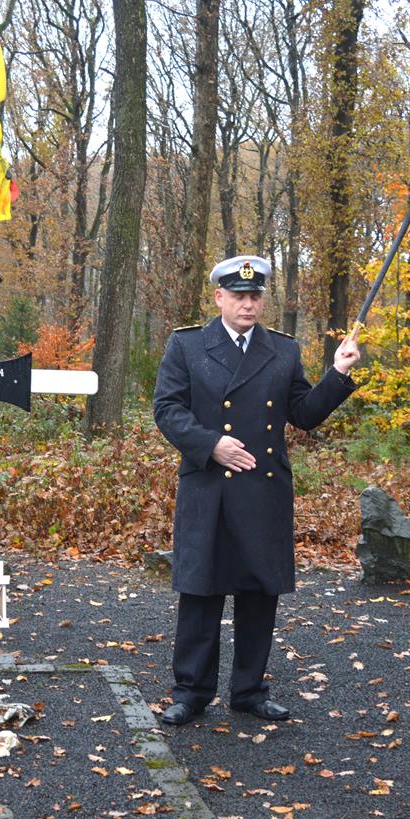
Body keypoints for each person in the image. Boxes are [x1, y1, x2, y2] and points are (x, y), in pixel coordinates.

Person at [152, 254, 360, 725]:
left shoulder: (282, 350)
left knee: (258, 595)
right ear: (219, 297)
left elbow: (303, 414)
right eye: (239, 296)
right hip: (208, 485)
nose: (248, 304)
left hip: (263, 490)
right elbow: (167, 408)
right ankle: (192, 692)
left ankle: (249, 690)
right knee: (201, 594)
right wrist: (212, 444)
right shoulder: (186, 345)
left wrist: (338, 373)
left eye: (255, 296)